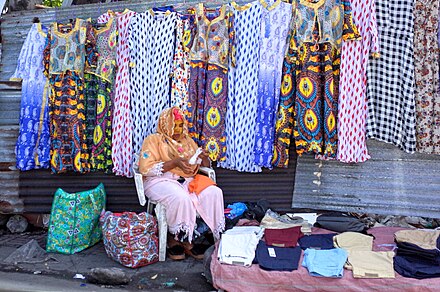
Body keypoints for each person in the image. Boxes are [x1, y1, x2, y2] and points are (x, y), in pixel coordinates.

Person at [139, 107, 225, 260]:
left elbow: (198, 165)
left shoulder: (187, 142)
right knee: (181, 198)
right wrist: (174, 162)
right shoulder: (154, 140)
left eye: (180, 125)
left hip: (186, 180)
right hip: (159, 181)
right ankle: (176, 239)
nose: (178, 130)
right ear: (165, 124)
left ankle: (207, 234)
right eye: (174, 125)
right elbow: (146, 168)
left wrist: (204, 157)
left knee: (214, 192)